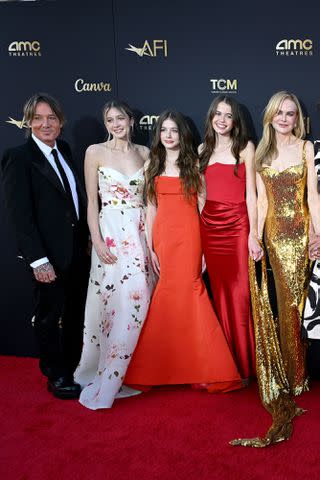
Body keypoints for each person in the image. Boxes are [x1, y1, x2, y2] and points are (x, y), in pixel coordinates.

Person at [125, 110, 242, 391]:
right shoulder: (153, 162)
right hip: (164, 237)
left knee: (193, 291)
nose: (168, 135)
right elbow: (151, 207)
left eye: (174, 130)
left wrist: (205, 248)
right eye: (163, 130)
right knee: (166, 293)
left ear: (182, 135)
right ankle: (159, 368)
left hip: (190, 237)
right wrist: (152, 245)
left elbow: (203, 207)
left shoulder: (194, 163)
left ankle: (208, 368)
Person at [232, 91, 320, 447]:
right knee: (285, 306)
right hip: (274, 237)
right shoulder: (261, 152)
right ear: (269, 116)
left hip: (302, 234)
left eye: (291, 113)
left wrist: (318, 232)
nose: (285, 118)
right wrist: (254, 236)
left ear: (298, 118)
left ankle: (300, 372)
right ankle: (293, 377)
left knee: (303, 307)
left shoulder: (305, 148)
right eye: (279, 113)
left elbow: (312, 195)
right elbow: (260, 198)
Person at [1, 93, 89, 399]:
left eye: (51, 117)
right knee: (51, 316)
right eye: (38, 118)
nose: (45, 124)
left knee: (76, 313)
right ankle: (56, 375)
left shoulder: (63, 149)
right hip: (48, 256)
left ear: (61, 122)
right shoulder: (19, 157)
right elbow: (20, 216)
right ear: (28, 123)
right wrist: (38, 260)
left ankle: (75, 366)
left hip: (77, 251)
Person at [74, 100, 155, 410]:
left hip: (140, 234)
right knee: (111, 305)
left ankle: (133, 371)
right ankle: (107, 373)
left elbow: (150, 201)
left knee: (139, 300)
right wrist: (97, 240)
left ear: (131, 120)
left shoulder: (145, 154)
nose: (115, 124)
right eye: (109, 120)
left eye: (120, 118)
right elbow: (92, 203)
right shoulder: (94, 152)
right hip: (109, 235)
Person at [199, 96, 262, 382]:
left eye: (228, 115)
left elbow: (252, 195)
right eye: (218, 114)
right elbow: (200, 197)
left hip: (237, 226)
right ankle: (224, 364)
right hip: (209, 227)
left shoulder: (246, 148)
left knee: (239, 295)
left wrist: (253, 233)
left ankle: (244, 365)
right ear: (211, 116)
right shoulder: (202, 149)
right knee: (219, 295)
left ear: (236, 121)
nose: (222, 120)